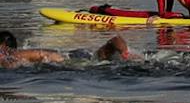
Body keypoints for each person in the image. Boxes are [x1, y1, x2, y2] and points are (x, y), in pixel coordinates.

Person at [0, 31, 130, 66]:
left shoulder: (15, 54)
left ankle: (123, 51)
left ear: (3, 46)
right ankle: (125, 53)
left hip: (68, 58)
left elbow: (41, 54)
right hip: (74, 55)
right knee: (102, 55)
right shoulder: (17, 53)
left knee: (100, 57)